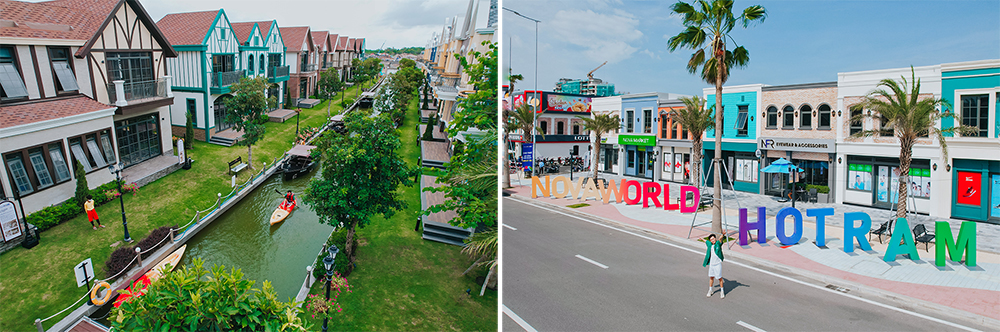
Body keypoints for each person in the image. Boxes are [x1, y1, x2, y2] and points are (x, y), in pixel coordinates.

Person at [703, 233, 725, 299]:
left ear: (715, 238)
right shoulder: (710, 245)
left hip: (717, 264)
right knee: (711, 277)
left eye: (713, 238)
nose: (712, 240)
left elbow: (720, 239)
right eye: (711, 239)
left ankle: (722, 291)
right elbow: (706, 242)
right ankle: (710, 290)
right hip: (711, 265)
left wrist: (722, 235)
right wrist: (702, 240)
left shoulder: (718, 244)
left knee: (719, 278)